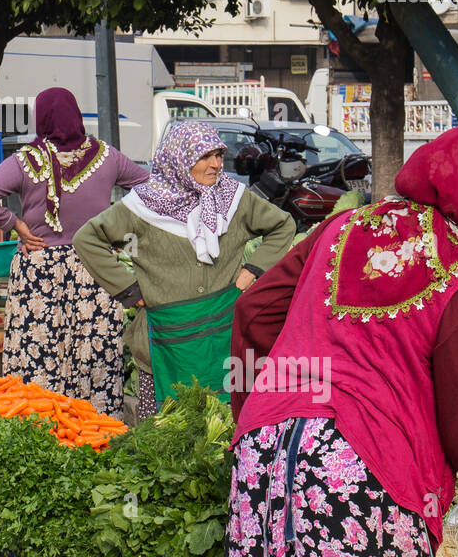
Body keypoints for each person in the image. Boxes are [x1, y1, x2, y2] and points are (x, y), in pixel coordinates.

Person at [225, 124, 458, 557]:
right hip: (358, 472)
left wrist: (265, 409)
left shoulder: (341, 227)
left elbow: (254, 312)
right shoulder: (456, 275)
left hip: (264, 452)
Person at [75, 121, 295, 418]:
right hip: (167, 339)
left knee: (228, 424)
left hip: (224, 332)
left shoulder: (233, 199)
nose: (216, 165)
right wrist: (128, 289)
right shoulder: (141, 207)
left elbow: (283, 225)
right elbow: (87, 238)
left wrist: (253, 269)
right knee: (167, 435)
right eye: (205, 157)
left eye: (218, 155)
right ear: (179, 158)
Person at [0, 87, 150, 417]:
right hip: (96, 270)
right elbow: (149, 187)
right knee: (95, 358)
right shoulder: (107, 158)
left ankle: (42, 432)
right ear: (77, 116)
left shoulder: (25, 161)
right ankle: (97, 433)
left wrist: (15, 224)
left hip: (40, 273)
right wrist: (118, 227)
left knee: (41, 357)